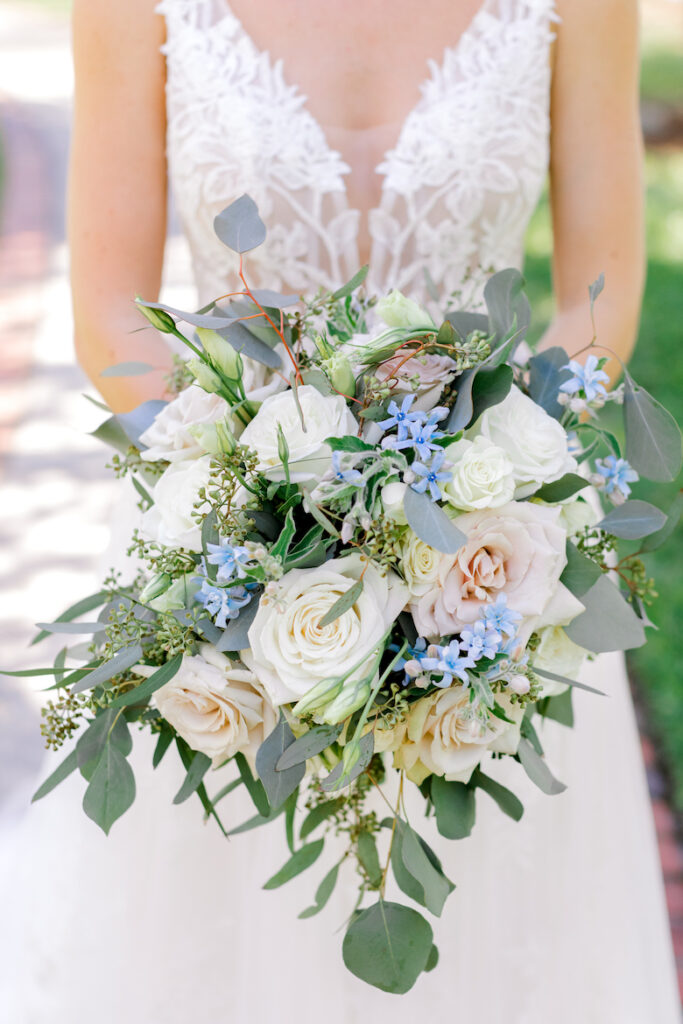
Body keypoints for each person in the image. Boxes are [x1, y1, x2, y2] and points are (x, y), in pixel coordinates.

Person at [1, 0, 679, 1021]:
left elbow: (601, 289)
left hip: (494, 582)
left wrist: (471, 513)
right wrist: (260, 513)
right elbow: (111, 312)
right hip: (221, 555)